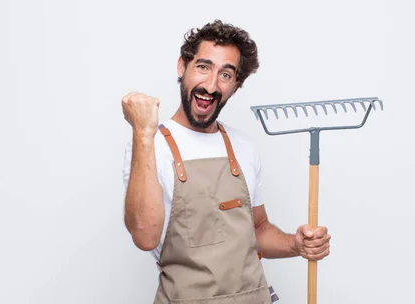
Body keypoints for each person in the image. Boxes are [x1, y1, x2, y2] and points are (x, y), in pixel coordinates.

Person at [121, 20, 331, 304]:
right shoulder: (150, 147)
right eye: (203, 67)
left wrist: (295, 244)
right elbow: (145, 237)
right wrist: (142, 133)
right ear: (182, 67)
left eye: (226, 74)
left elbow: (257, 230)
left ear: (236, 85)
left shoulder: (243, 146)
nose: (210, 85)